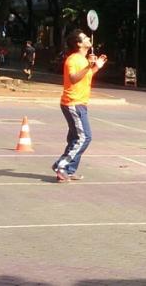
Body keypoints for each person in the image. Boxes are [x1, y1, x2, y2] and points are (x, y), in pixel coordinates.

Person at [51, 29, 107, 183]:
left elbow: (86, 76)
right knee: (84, 137)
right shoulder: (73, 60)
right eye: (85, 38)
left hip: (80, 103)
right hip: (72, 103)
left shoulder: (83, 60)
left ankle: (68, 170)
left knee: (76, 137)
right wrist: (89, 66)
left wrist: (96, 67)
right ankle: (61, 165)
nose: (88, 38)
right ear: (78, 43)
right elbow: (74, 78)